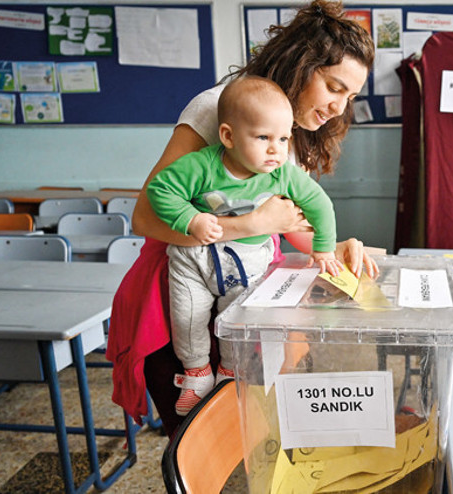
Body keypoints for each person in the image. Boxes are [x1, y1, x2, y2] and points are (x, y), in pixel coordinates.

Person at [106, 0, 377, 436]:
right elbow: (144, 216)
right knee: (199, 444)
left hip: (241, 294)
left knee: (247, 439)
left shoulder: (289, 134)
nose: (339, 107)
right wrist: (246, 228)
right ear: (300, 64)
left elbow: (284, 218)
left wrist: (331, 247)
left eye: (349, 97)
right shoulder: (219, 109)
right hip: (180, 296)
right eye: (333, 86)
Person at [146, 76, 342, 415]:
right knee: (188, 315)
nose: (275, 150)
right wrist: (190, 220)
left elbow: (319, 204)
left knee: (237, 320)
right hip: (194, 259)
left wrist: (323, 248)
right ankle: (196, 375)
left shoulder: (282, 172)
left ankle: (228, 374)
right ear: (228, 136)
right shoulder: (202, 164)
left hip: (249, 260)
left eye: (283, 139)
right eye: (263, 137)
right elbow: (160, 191)